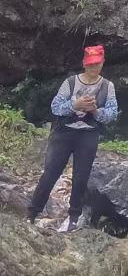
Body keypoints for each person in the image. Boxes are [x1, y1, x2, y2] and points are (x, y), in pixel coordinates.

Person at [27, 45, 118, 231]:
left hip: (89, 134)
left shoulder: (107, 86)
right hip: (64, 132)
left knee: (81, 176)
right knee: (51, 173)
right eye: (91, 63)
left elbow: (112, 113)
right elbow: (55, 107)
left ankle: (74, 218)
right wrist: (74, 104)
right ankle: (32, 213)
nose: (94, 67)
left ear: (103, 63)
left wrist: (95, 111)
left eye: (97, 63)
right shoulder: (70, 82)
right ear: (84, 63)